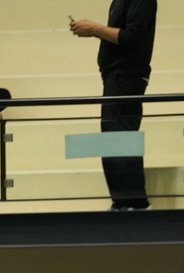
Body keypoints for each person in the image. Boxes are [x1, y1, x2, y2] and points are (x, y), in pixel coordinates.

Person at [71, 0, 157, 211]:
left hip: (125, 75)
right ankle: (122, 201)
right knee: (112, 139)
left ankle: (134, 203)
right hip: (116, 75)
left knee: (120, 138)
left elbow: (132, 37)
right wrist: (95, 31)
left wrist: (95, 29)